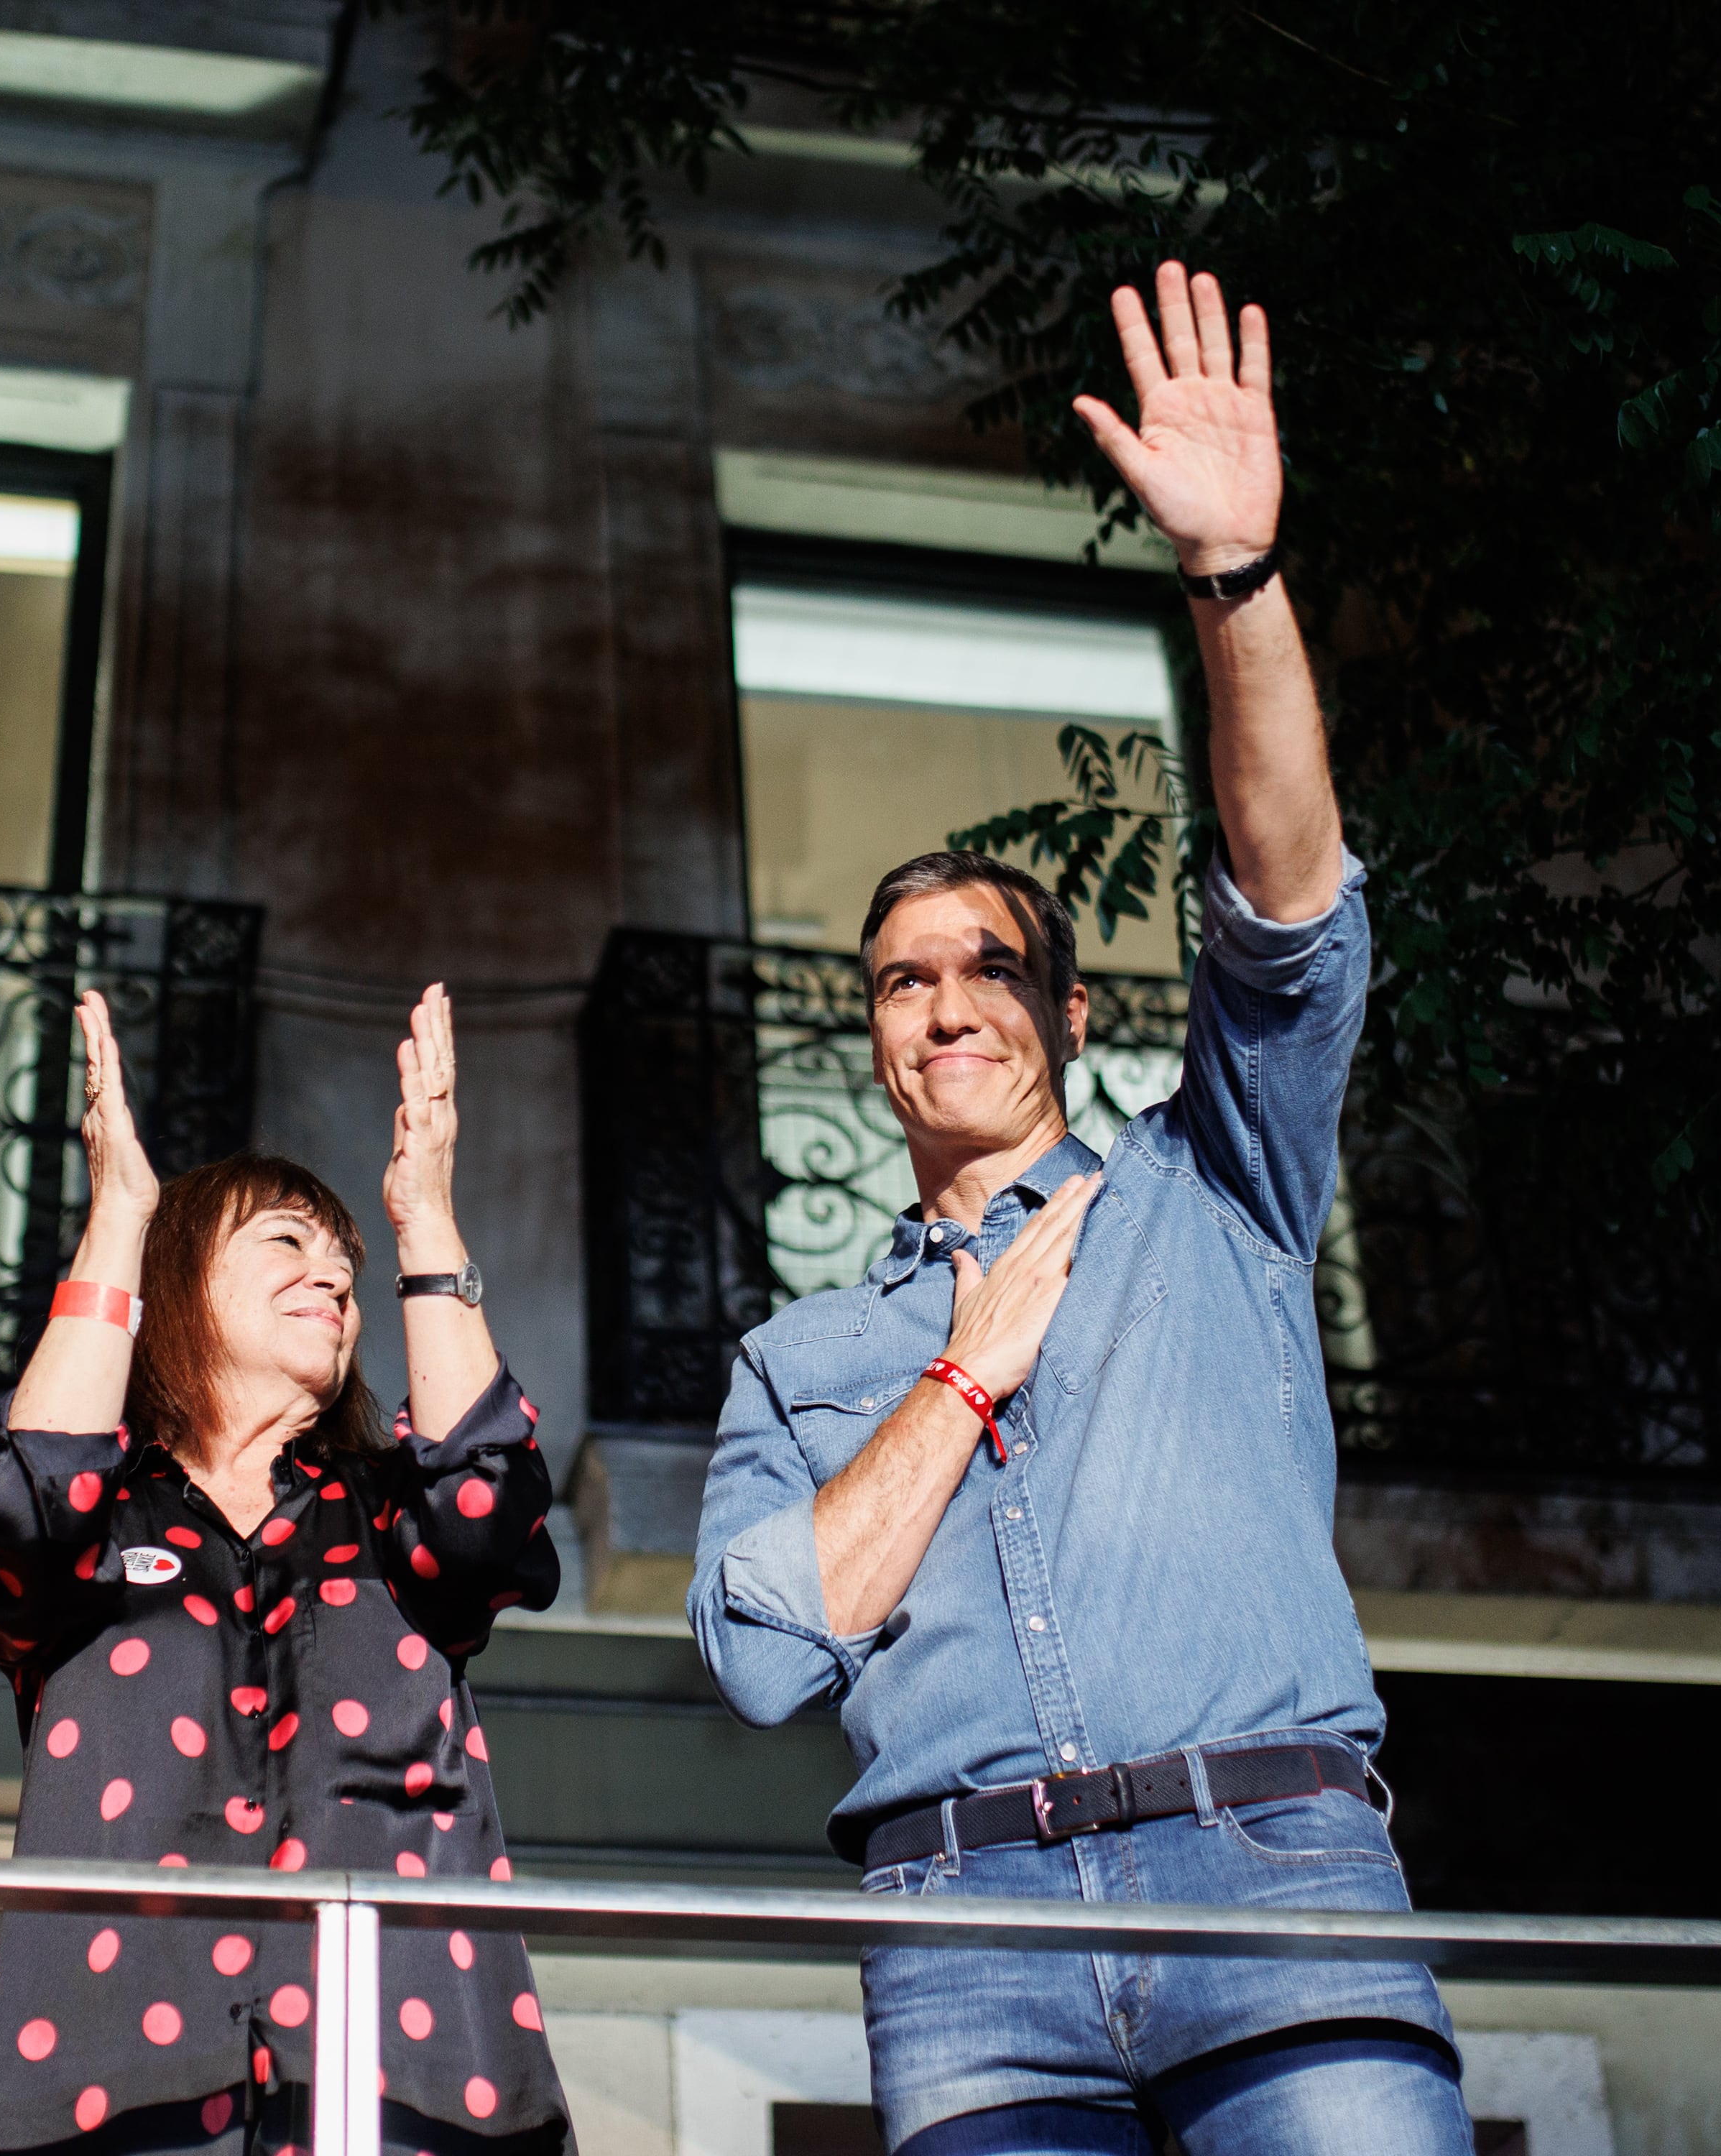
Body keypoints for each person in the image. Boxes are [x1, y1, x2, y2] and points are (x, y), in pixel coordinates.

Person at [691, 262, 1471, 2155]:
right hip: (964, 1941)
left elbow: (1289, 905)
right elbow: (763, 1648)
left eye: (985, 966)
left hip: (1270, 1881)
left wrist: (1232, 581)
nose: (944, 1002)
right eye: (897, 978)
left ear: (1069, 1010)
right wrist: (956, 1384)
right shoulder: (803, 1362)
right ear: (869, 1034)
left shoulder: (1215, 1187)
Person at [0, 985, 566, 2156]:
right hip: (115, 2090)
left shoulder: (388, 1517)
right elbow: (23, 1502)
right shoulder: (99, 1520)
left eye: (343, 1262)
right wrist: (121, 1221)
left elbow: (489, 1507)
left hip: (410, 2084)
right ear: (181, 1283)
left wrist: (424, 1221)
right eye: (287, 1241)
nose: (334, 1276)